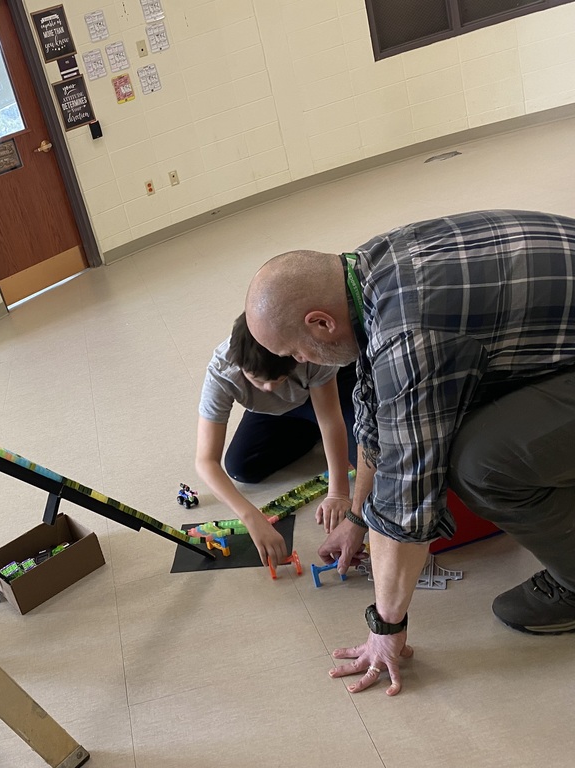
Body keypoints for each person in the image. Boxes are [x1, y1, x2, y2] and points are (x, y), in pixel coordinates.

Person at [245, 209, 575, 697]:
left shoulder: (410, 335)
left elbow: (408, 494)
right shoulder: (372, 267)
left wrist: (385, 627)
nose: (301, 363)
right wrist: (358, 518)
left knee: (481, 465)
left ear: (320, 322)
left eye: (297, 352)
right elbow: (378, 414)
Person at [195, 312, 357, 567]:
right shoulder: (221, 371)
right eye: (257, 380)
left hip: (330, 392)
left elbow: (330, 420)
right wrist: (251, 517)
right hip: (277, 412)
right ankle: (309, 429)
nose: (269, 388)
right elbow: (205, 461)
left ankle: (318, 425)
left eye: (278, 380)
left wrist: (338, 492)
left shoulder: (307, 353)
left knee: (366, 457)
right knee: (241, 466)